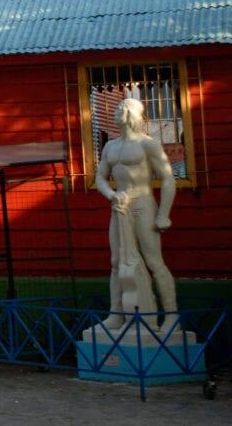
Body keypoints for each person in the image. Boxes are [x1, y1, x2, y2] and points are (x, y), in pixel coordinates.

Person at [94, 97, 177, 328]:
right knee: (116, 261)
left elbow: (168, 177)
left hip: (142, 203)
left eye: (121, 108)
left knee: (153, 260)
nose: (116, 111)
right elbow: (99, 177)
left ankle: (171, 315)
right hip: (119, 205)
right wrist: (111, 195)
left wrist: (163, 213)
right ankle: (116, 313)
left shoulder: (147, 144)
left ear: (131, 113)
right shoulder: (110, 146)